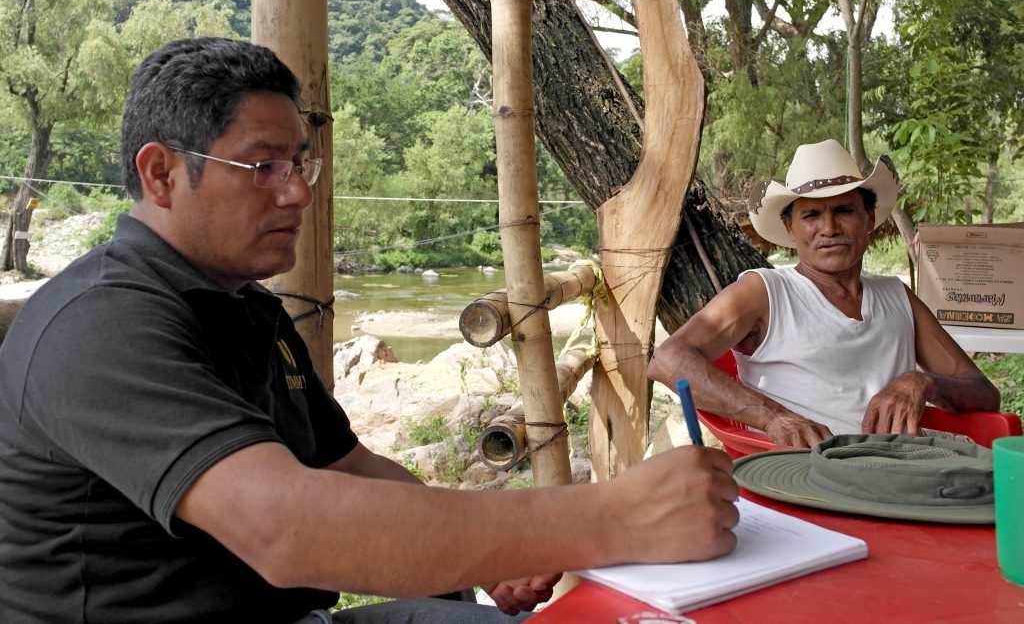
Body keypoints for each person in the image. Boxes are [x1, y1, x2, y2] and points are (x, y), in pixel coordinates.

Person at [0, 37, 740, 624]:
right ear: (160, 174)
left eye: (301, 163)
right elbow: (288, 530)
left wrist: (488, 548)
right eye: (261, 165)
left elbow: (349, 468)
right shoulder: (98, 325)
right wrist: (611, 516)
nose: (295, 192)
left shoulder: (246, 307)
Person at [648, 139, 1000, 448]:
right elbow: (668, 360)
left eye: (844, 210)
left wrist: (921, 382)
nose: (829, 228)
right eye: (811, 215)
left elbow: (983, 392)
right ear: (790, 228)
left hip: (901, 467)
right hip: (806, 476)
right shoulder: (765, 292)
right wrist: (773, 417)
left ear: (868, 219)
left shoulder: (897, 296)